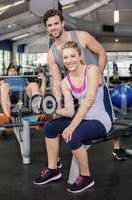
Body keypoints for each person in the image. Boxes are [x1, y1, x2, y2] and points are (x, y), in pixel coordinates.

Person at [42, 8, 132, 160]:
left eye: (56, 23)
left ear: (63, 23)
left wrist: (98, 74)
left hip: (96, 86)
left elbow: (102, 53)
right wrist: (58, 103)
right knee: (69, 118)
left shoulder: (81, 36)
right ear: (47, 28)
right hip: (74, 89)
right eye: (50, 25)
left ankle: (117, 148)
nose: (53, 28)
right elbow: (57, 80)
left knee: (108, 117)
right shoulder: (52, 53)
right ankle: (54, 161)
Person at [33, 41, 113, 193]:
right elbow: (70, 111)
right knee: (50, 126)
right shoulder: (65, 82)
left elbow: (89, 100)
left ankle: (86, 176)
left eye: (72, 56)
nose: (69, 60)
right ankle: (53, 169)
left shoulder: (92, 70)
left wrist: (72, 125)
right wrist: (53, 109)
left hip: (100, 119)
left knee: (73, 135)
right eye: (65, 57)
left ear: (80, 56)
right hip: (82, 117)